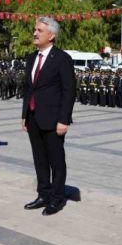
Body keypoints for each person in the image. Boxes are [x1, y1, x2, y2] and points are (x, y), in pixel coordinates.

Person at [21, 17, 75, 216]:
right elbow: (28, 89)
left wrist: (63, 119)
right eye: (34, 29)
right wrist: (24, 114)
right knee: (39, 159)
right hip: (34, 117)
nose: (35, 33)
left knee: (56, 160)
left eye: (39, 30)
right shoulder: (31, 58)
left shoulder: (62, 59)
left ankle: (57, 198)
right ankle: (43, 194)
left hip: (53, 120)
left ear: (51, 35)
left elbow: (69, 91)